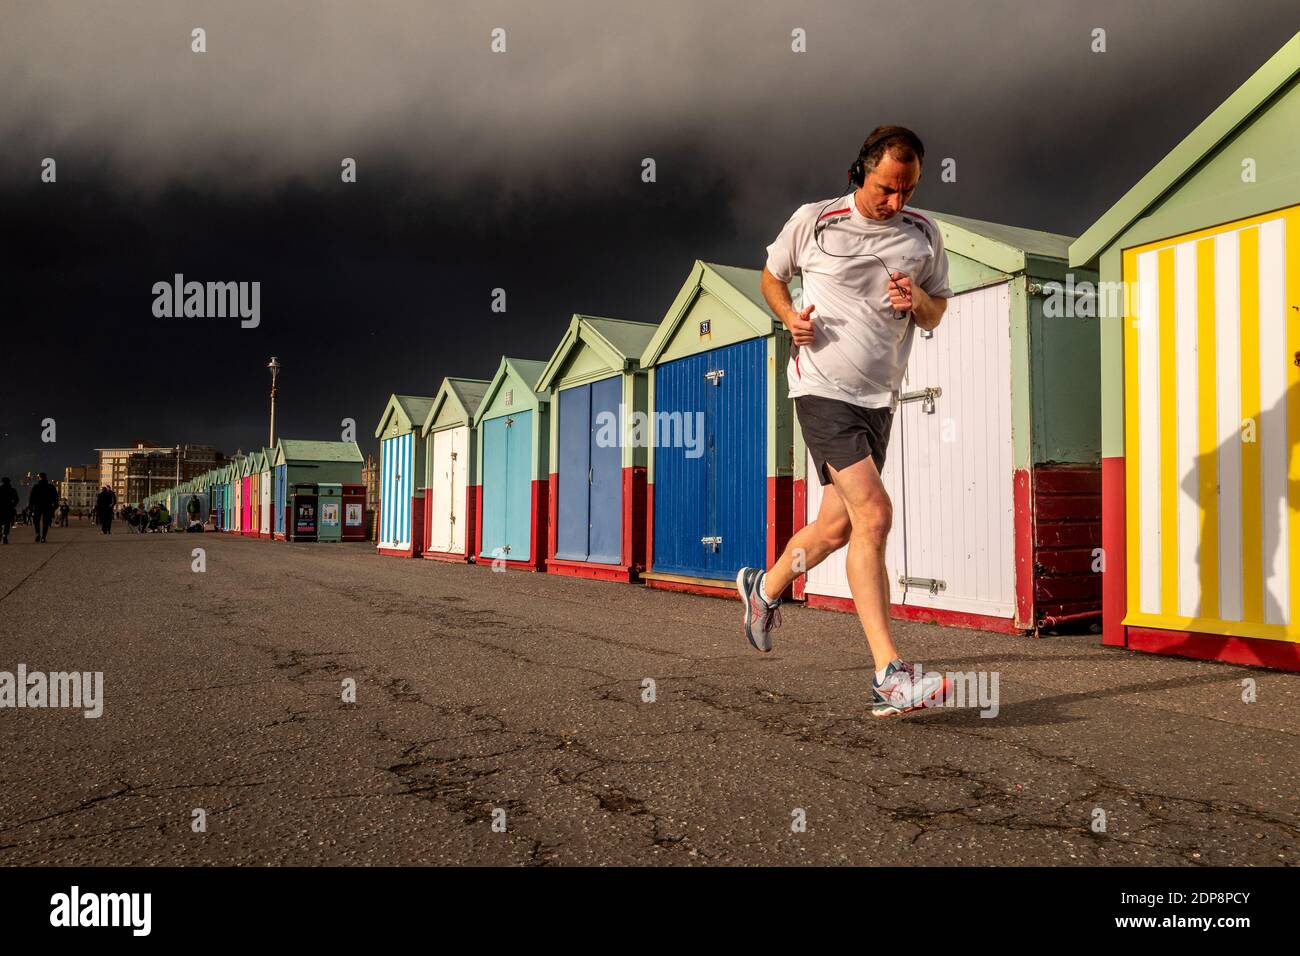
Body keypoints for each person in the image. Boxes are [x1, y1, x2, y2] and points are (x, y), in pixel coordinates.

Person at [736, 126, 955, 718]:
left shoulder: (923, 235)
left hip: (879, 398)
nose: (896, 202)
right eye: (887, 188)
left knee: (834, 529)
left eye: (907, 190)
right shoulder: (815, 219)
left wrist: (919, 302)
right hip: (822, 387)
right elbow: (771, 276)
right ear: (861, 171)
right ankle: (889, 674)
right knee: (875, 516)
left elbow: (937, 310)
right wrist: (789, 319)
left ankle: (765, 588)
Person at [28, 472, 58, 543]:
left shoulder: (36, 487)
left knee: (36, 521)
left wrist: (30, 507)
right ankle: (43, 537)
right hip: (47, 506)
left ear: (39, 478)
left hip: (37, 506)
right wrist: (54, 507)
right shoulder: (51, 487)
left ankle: (37, 533)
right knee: (46, 522)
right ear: (46, 478)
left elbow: (31, 498)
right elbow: (55, 498)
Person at [0, 477, 18, 544]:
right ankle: (5, 535)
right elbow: (16, 499)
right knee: (7, 523)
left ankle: (0, 533)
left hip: (0, 508)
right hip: (8, 508)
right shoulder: (12, 490)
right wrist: (13, 505)